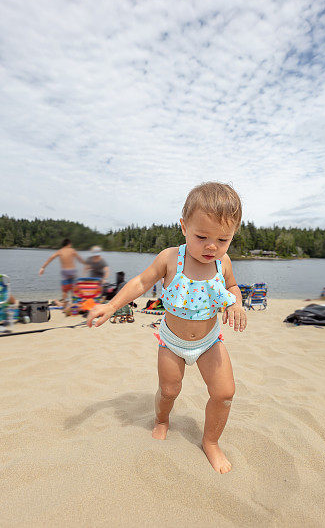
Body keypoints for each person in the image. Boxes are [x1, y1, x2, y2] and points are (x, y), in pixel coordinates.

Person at [87, 182, 246, 474]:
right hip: (172, 342)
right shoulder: (171, 258)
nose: (212, 246)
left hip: (210, 340)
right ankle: (162, 420)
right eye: (202, 236)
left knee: (224, 393)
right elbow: (141, 283)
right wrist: (111, 306)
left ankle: (210, 442)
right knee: (170, 390)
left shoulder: (222, 263)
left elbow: (233, 286)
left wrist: (236, 303)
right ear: (184, 226)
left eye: (223, 239)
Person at [38, 239, 86, 303]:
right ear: (69, 244)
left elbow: (50, 258)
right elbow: (80, 259)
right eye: (70, 244)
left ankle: (64, 302)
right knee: (73, 289)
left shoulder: (60, 251)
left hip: (65, 272)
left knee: (65, 290)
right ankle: (74, 304)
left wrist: (42, 268)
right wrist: (86, 264)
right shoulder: (72, 250)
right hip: (72, 271)